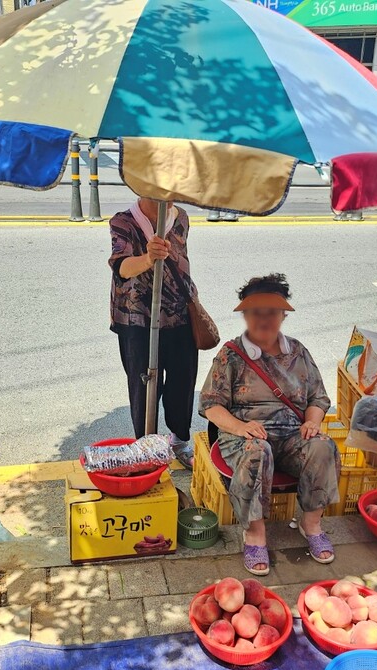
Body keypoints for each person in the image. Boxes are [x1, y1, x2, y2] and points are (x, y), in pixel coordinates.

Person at [199, 274, 340, 575]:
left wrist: (313, 422)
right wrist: (239, 426)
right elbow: (211, 405)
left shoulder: (298, 352)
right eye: (256, 312)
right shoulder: (231, 355)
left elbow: (318, 397)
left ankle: (311, 525)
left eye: (272, 312)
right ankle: (254, 533)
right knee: (257, 450)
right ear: (246, 315)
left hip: (291, 434)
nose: (264, 319)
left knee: (323, 445)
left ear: (283, 315)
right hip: (244, 437)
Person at [109, 197, 199, 468]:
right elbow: (121, 267)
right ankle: (147, 447)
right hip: (137, 318)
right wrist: (149, 258)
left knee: (183, 380)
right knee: (144, 386)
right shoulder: (123, 221)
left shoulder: (181, 217)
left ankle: (179, 440)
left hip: (179, 314)